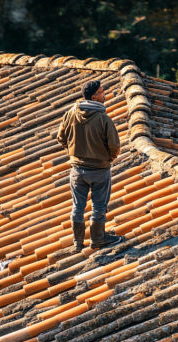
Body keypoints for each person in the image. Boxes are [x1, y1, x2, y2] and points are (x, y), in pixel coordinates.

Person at [57, 80, 123, 253]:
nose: (105, 94)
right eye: (102, 92)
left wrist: (75, 152)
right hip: (100, 170)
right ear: (94, 97)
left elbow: (61, 138)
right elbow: (115, 145)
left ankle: (78, 243)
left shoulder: (70, 113)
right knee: (99, 207)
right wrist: (109, 158)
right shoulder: (103, 118)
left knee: (77, 206)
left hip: (77, 170)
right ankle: (98, 239)